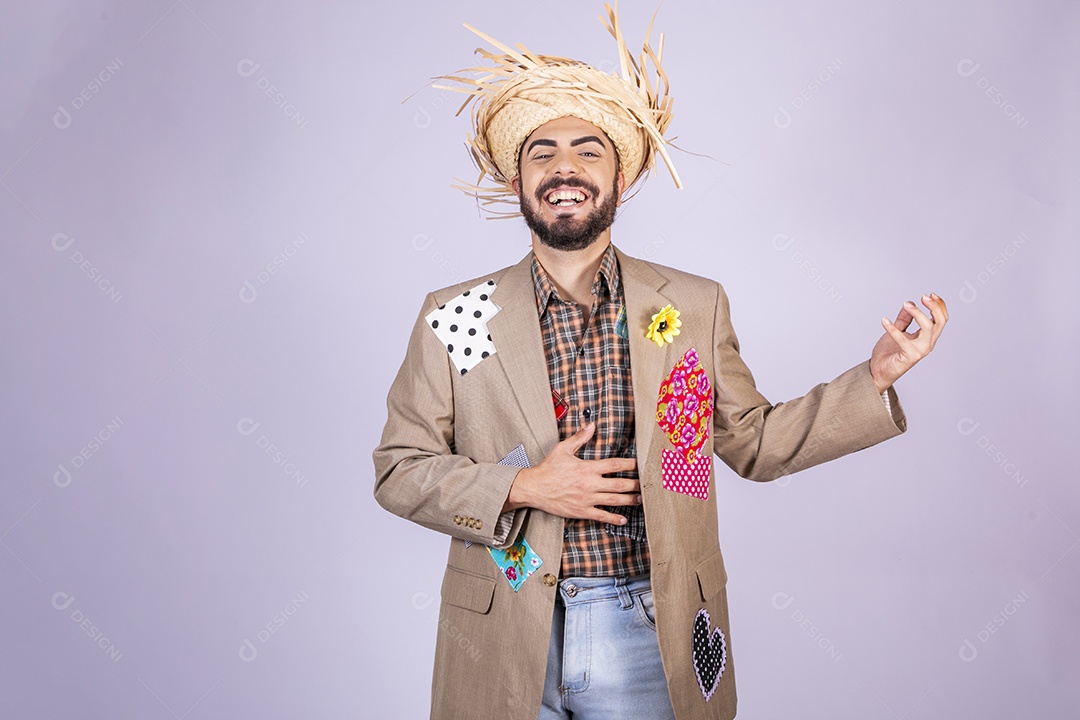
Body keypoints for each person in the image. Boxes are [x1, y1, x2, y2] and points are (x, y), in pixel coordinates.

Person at [373, 6, 947, 719]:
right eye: (541, 152)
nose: (564, 169)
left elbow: (756, 444)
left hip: (650, 627)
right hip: (501, 632)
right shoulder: (460, 315)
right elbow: (400, 470)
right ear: (518, 180)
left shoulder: (693, 308)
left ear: (619, 175)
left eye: (588, 150)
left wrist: (877, 378)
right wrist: (523, 487)